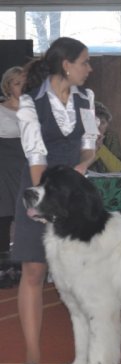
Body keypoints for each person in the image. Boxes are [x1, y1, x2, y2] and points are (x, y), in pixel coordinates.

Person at [12, 37, 98, 364]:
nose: (89, 70)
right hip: (39, 188)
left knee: (84, 273)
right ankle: (32, 354)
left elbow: (89, 147)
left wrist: (82, 168)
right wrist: (42, 201)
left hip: (74, 191)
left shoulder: (86, 98)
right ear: (67, 64)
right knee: (33, 271)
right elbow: (36, 155)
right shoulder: (30, 102)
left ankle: (91, 350)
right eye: (85, 62)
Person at [0, 66, 26, 289]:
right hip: (4, 165)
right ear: (8, 86)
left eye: (24, 82)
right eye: (17, 83)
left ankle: (24, 263)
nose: (22, 87)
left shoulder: (34, 110)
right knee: (4, 213)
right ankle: (3, 266)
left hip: (28, 164)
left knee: (27, 213)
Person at [88, 101, 121, 173]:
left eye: (103, 123)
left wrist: (101, 148)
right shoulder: (80, 137)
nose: (99, 127)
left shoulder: (111, 137)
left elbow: (118, 169)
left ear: (107, 124)